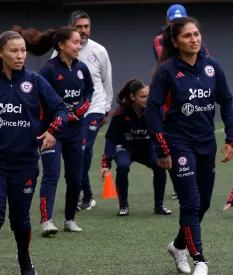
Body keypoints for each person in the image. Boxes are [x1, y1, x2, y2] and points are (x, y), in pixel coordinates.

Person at [0, 30, 68, 275]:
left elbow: (60, 109)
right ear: (1, 53)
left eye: (23, 50)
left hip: (25, 163)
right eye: (14, 50)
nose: (20, 55)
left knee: (20, 220)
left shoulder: (35, 81)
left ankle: (24, 259)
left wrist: (53, 131)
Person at [146, 16, 233, 275]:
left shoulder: (212, 67)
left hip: (206, 143)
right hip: (179, 144)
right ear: (175, 42)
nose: (194, 39)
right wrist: (162, 149)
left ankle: (178, 246)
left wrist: (232, 137)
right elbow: (152, 111)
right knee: (191, 202)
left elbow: (227, 101)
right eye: (187, 36)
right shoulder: (166, 71)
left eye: (196, 34)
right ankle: (199, 258)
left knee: (204, 203)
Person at [13, 25, 94, 236]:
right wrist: (60, 115)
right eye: (75, 42)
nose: (79, 46)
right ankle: (47, 221)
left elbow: (89, 92)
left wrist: (83, 107)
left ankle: (69, 219)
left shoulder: (82, 68)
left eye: (79, 42)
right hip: (52, 131)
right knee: (51, 175)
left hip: (77, 131)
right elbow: (40, 101)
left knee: (76, 177)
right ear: (61, 45)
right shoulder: (48, 70)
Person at [52, 10, 114, 210]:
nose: (84, 31)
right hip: (70, 112)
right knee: (78, 151)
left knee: (85, 149)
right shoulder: (58, 53)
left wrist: (106, 108)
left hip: (94, 107)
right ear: (71, 28)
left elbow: (106, 81)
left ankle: (79, 190)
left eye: (86, 26)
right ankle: (86, 193)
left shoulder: (99, 51)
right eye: (79, 27)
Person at [153, 4, 210, 201]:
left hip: (191, 91)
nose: (177, 23)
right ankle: (179, 180)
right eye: (173, 21)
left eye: (181, 19)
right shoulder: (161, 41)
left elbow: (205, 59)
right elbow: (166, 57)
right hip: (171, 88)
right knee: (171, 135)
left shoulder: (195, 39)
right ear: (167, 22)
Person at [100, 79, 172, 216]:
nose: (147, 99)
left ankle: (159, 206)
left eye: (148, 96)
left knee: (160, 166)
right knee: (122, 166)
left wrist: (166, 153)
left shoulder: (154, 110)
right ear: (133, 97)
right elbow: (111, 139)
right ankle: (123, 206)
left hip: (147, 147)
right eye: (143, 97)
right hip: (126, 147)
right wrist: (106, 164)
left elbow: (163, 132)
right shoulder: (121, 113)